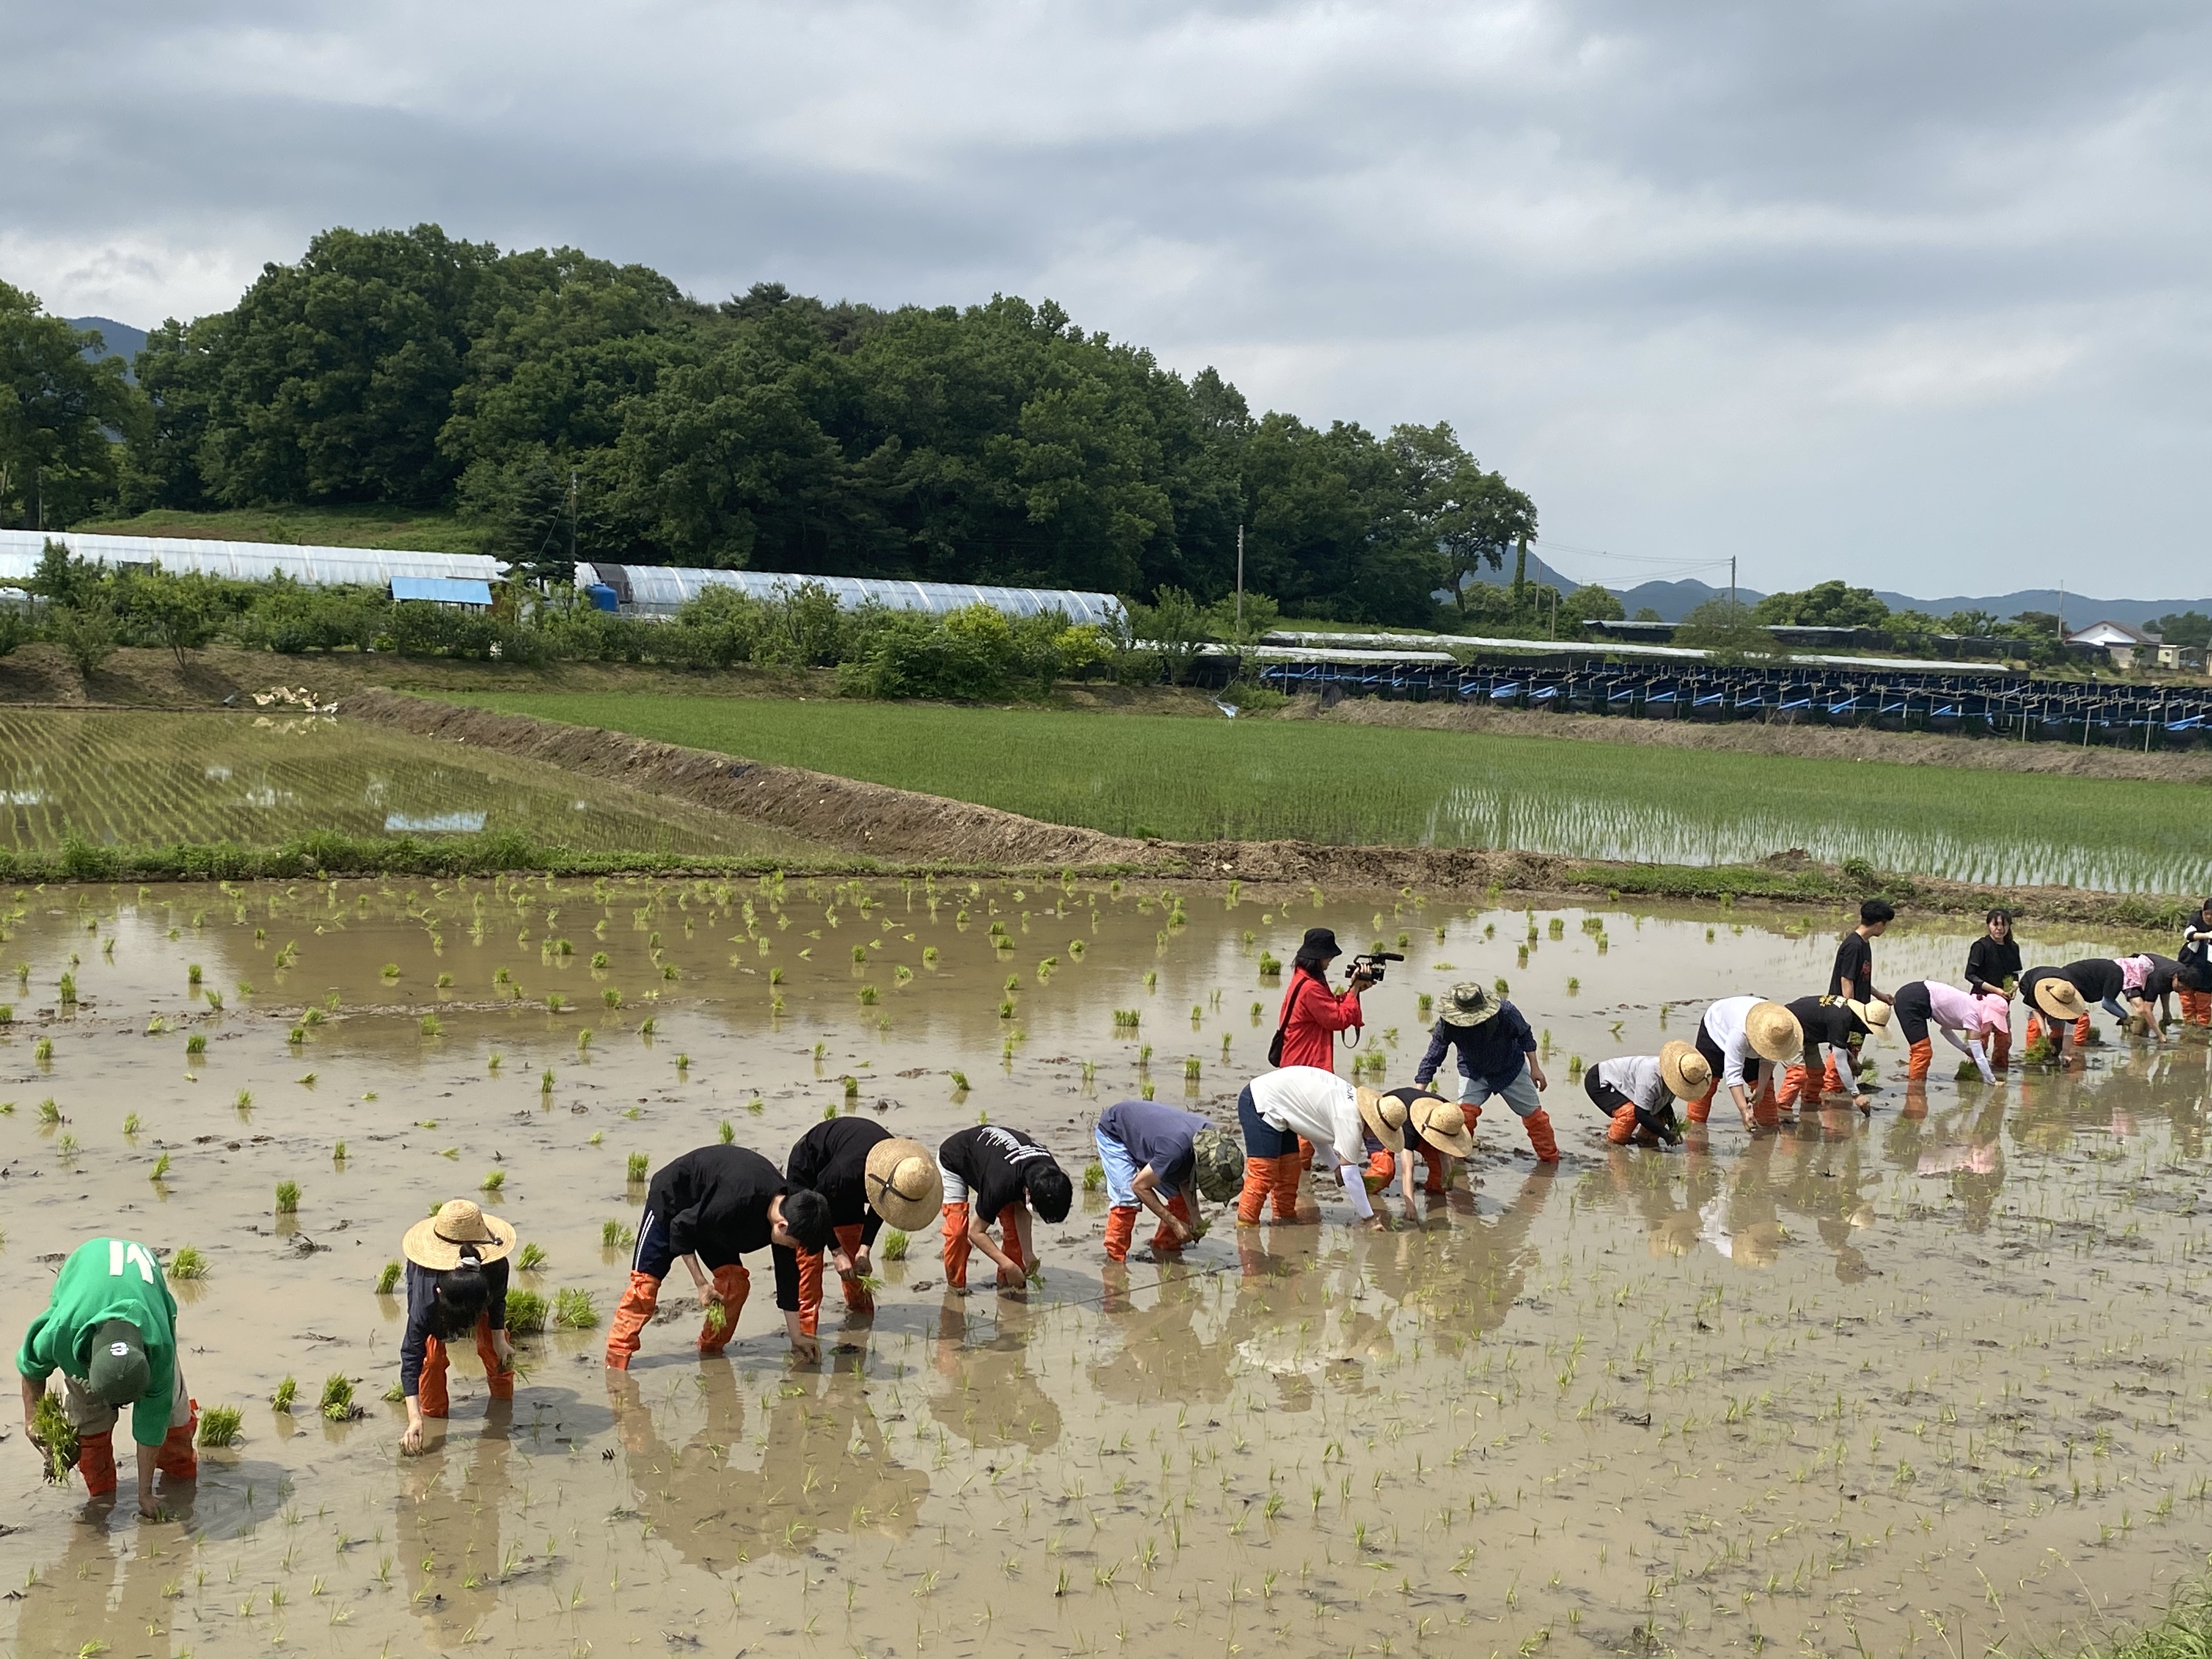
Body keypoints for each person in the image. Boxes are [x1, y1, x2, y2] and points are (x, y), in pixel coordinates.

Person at [605, 1143, 836, 1369]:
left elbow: (787, 1277)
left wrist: (796, 1337)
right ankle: (616, 1363)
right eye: (794, 1244)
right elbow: (680, 1227)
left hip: (711, 1219)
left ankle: (710, 1352)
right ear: (782, 1226)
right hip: (673, 1203)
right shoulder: (737, 1201)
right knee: (644, 1287)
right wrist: (701, 1284)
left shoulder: (790, 1211)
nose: (793, 1248)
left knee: (735, 1285)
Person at [17, 1238, 198, 1514]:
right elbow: (31, 1365)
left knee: (173, 1426)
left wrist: (145, 1495)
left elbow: (152, 1425)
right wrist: (32, 1420)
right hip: (86, 1267)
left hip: (145, 1289)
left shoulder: (160, 1348)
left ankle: (180, 1480)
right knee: (89, 1424)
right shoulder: (61, 1332)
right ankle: (101, 1496)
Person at [783, 1120, 941, 1334]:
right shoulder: (846, 1173)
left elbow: (883, 1205)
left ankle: (860, 1318)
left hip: (851, 1172)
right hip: (811, 1169)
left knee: (854, 1250)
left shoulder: (902, 1169)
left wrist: (865, 1248)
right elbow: (818, 1206)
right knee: (810, 1259)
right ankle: (805, 1334)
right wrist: (836, 1251)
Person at [398, 1199, 516, 1454]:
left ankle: (503, 1410)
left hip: (474, 1292)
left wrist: (498, 1337)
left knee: (496, 1351)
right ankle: (433, 1417)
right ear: (440, 1293)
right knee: (431, 1361)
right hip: (437, 1305)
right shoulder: (426, 1302)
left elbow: (498, 1299)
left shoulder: (496, 1266)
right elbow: (411, 1357)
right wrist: (414, 1418)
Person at [1234, 1065, 1404, 1227]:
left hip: (1281, 1104)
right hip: (1260, 1101)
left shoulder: (1351, 1104)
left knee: (1290, 1169)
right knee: (1264, 1172)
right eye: (1380, 1133)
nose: (1376, 1137)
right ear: (1373, 1125)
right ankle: (1247, 1225)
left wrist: (1335, 1167)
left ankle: (1284, 1218)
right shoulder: (1351, 1119)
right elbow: (1351, 1175)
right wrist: (1369, 1218)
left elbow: (1315, 1132)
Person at [1412, 981, 1558, 1162]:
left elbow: (1525, 1035)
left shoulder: (1505, 1012)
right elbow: (1433, 1056)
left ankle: (1550, 1162)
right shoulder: (1447, 1023)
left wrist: (1535, 1068)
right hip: (1473, 1071)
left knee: (1536, 1120)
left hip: (1510, 1069)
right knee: (1463, 1119)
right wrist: (1417, 1094)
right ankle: (1458, 1163)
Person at [937, 1125, 1074, 1290]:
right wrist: (1007, 1264)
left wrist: (1028, 1253)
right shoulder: (1000, 1184)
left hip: (998, 1162)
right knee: (957, 1231)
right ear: (1028, 1192)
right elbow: (975, 1232)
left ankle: (1007, 1287)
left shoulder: (1052, 1176)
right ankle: (956, 1287)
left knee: (1015, 1233)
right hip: (955, 1160)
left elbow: (1022, 1208)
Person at [1094, 1098, 1209, 1262]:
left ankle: (1165, 1248)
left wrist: (1196, 1217)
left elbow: (1186, 1178)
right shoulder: (1174, 1152)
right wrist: (1175, 1223)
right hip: (1115, 1131)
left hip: (1153, 1141)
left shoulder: (1209, 1139)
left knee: (1181, 1201)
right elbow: (1139, 1187)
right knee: (1127, 1201)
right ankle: (1115, 1260)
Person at [1688, 997, 1803, 1130]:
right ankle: (1695, 1129)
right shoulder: (1740, 1034)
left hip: (1750, 1039)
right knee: (1706, 1083)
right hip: (1716, 1029)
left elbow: (1769, 1061)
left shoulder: (1780, 1031)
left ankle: (1767, 1133)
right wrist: (1744, 1110)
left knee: (1767, 1105)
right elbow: (1733, 1075)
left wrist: (1760, 1088)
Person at [1272, 928, 1373, 1071]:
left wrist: (1355, 990)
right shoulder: (1310, 988)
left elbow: (1329, 1006)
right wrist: (1354, 989)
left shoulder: (1303, 978)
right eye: (1329, 956)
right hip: (1304, 1064)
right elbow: (1337, 1019)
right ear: (1319, 957)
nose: (1331, 960)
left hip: (1298, 1059)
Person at [1774, 994, 1886, 1111]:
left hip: (1807, 1033)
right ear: (1863, 1023)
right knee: (1797, 1074)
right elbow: (1840, 1063)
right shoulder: (1842, 1019)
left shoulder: (1846, 1012)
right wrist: (1856, 1095)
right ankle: (1783, 1110)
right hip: (1788, 1026)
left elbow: (1837, 1043)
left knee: (1817, 1072)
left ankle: (1810, 1107)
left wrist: (1850, 1057)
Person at [1587, 1041, 1711, 1146]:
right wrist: (1667, 1135)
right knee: (1630, 1114)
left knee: (1659, 1118)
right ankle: (1614, 1145)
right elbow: (1640, 1113)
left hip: (1624, 1085)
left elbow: (1664, 1105)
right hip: (1601, 1082)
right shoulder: (1651, 1078)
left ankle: (1644, 1141)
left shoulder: (1674, 1079)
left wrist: (1674, 1128)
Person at [1826, 900, 1895, 1090]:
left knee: (1852, 1054)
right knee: (1842, 1053)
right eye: (1886, 925)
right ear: (1879, 924)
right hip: (1847, 1011)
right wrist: (1851, 1010)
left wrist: (1879, 995)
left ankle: (1842, 1092)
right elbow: (1846, 980)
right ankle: (1831, 1093)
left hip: (1858, 1011)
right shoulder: (1854, 946)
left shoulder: (1864, 944)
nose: (1885, 929)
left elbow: (1860, 978)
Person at [1891, 980, 2011, 1085]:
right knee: (1922, 1051)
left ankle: (1915, 1080)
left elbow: (1945, 1031)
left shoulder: (1971, 1006)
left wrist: (1965, 1049)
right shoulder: (1972, 1015)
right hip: (1912, 1000)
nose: (1993, 1030)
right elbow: (1979, 1056)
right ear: (1990, 1017)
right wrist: (1993, 1081)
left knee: (1920, 1049)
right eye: (1993, 1025)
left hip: (1914, 995)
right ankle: (1916, 1090)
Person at [1383, 1085, 1476, 1195]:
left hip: (1425, 1121)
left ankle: (1434, 1193)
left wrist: (1448, 1177)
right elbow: (1407, 1170)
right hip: (1387, 1116)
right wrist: (1410, 1203)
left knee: (1439, 1181)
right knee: (1384, 1169)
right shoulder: (1407, 1129)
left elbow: (1445, 1153)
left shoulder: (1449, 1113)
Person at [1963, 908, 2023, 1066]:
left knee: (2005, 1040)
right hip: (1981, 999)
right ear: (1988, 925)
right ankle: (1974, 1069)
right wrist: (1996, 990)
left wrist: (2013, 987)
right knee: (1980, 1039)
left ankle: (2000, 1071)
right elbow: (1970, 975)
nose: (1999, 929)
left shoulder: (2013, 948)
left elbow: (2013, 974)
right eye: (1995, 925)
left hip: (2002, 1002)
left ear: (2009, 926)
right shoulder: (1981, 946)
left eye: (2004, 925)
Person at [2062, 955, 2164, 1045]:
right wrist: (2125, 1016)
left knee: (2063, 1016)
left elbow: (2111, 1000)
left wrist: (2124, 1015)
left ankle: (2067, 1043)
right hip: (2070, 983)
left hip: (2065, 976)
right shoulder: (2117, 975)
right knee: (2080, 1019)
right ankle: (2076, 1047)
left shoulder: (2113, 969)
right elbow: (2107, 1004)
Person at [2019, 968, 2091, 1060]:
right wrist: (2044, 1032)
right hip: (2031, 987)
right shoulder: (2036, 987)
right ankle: (2033, 1057)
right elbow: (2034, 1008)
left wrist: (2066, 1053)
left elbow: (2069, 1032)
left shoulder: (2070, 994)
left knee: (2059, 1030)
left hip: (2058, 984)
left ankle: (2054, 1055)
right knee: (2035, 1027)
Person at [2176, 900, 2212, 1029]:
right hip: (2190, 962)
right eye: (2207, 914)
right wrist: (2207, 935)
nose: (2209, 917)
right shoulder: (2196, 918)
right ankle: (2189, 1027)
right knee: (2187, 1000)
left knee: (2204, 1004)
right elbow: (2189, 935)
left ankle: (2202, 1029)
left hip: (2208, 969)